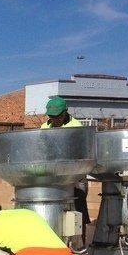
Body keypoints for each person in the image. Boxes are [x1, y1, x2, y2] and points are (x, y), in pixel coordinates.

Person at [41, 96, 90, 229]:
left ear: (65, 112)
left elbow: (81, 152)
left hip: (75, 175)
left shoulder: (76, 127)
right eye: (51, 116)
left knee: (78, 210)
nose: (55, 119)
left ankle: (79, 244)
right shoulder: (45, 127)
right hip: (54, 174)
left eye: (57, 116)